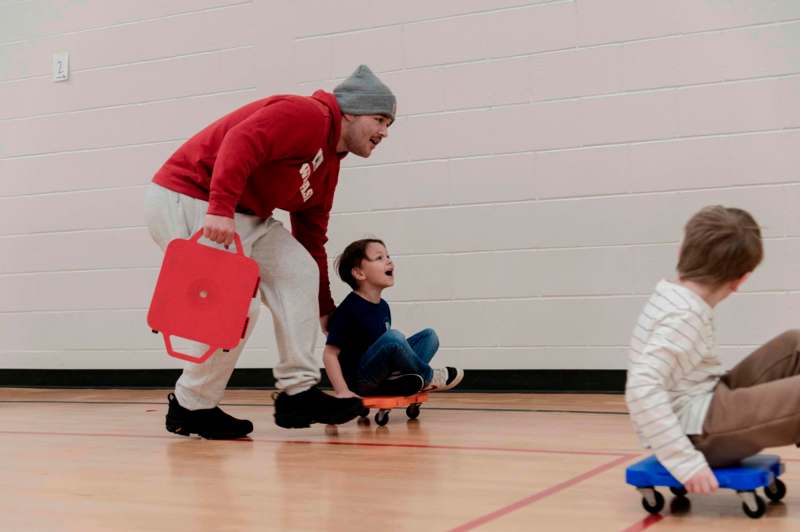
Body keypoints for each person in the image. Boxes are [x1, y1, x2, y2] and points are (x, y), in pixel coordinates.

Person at [144, 65, 397, 438]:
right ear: (351, 112)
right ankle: (191, 404)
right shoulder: (307, 115)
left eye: (389, 124)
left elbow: (313, 239)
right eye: (379, 119)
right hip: (190, 195)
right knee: (235, 307)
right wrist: (219, 208)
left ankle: (298, 393)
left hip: (244, 214)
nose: (384, 132)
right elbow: (240, 141)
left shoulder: (328, 165)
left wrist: (322, 305)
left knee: (299, 270)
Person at [626, 205, 800, 494]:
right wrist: (685, 462)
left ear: (681, 253)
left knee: (794, 344)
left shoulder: (676, 298)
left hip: (705, 400)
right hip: (698, 434)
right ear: (741, 280)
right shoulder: (683, 318)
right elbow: (641, 387)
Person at [323, 238, 464, 398]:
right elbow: (329, 354)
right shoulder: (349, 310)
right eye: (379, 258)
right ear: (359, 273)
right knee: (394, 338)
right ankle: (429, 376)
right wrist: (342, 391)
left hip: (382, 373)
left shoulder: (383, 306)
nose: (389, 261)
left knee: (429, 336)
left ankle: (400, 379)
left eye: (388, 256)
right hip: (362, 380)